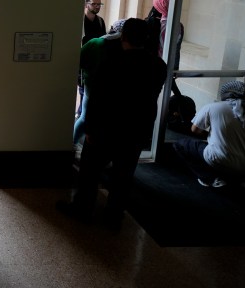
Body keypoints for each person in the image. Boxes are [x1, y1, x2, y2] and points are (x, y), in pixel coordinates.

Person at [57, 18, 167, 228]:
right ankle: (114, 214)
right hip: (136, 129)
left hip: (106, 128)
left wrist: (90, 128)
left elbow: (98, 98)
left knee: (90, 172)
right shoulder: (157, 65)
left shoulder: (113, 62)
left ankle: (83, 208)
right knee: (124, 175)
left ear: (123, 36)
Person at [173, 81, 245, 188]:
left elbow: (195, 130)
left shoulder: (213, 107)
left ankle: (210, 178)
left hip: (220, 159)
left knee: (181, 145)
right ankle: (241, 179)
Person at [73, 19, 127, 148]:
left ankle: (73, 143)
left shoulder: (96, 43)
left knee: (86, 117)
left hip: (92, 85)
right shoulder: (126, 48)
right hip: (115, 89)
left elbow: (79, 61)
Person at [76, 0, 107, 123]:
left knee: (87, 92)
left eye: (99, 4)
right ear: (86, 4)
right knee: (83, 90)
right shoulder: (80, 21)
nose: (97, 6)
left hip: (95, 61)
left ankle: (81, 115)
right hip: (82, 61)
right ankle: (81, 116)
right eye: (94, 4)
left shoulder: (100, 21)